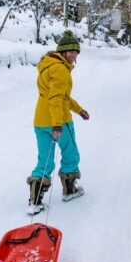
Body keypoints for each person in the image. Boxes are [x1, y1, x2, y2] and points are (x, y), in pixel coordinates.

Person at [27, 30, 90, 215]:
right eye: (70, 51)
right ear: (62, 51)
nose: (74, 55)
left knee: (44, 160)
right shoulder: (61, 70)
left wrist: (79, 110)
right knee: (71, 155)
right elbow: (56, 99)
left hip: (41, 121)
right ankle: (70, 190)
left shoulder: (47, 65)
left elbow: (62, 96)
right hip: (59, 120)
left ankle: (34, 201)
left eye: (76, 52)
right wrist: (57, 125)